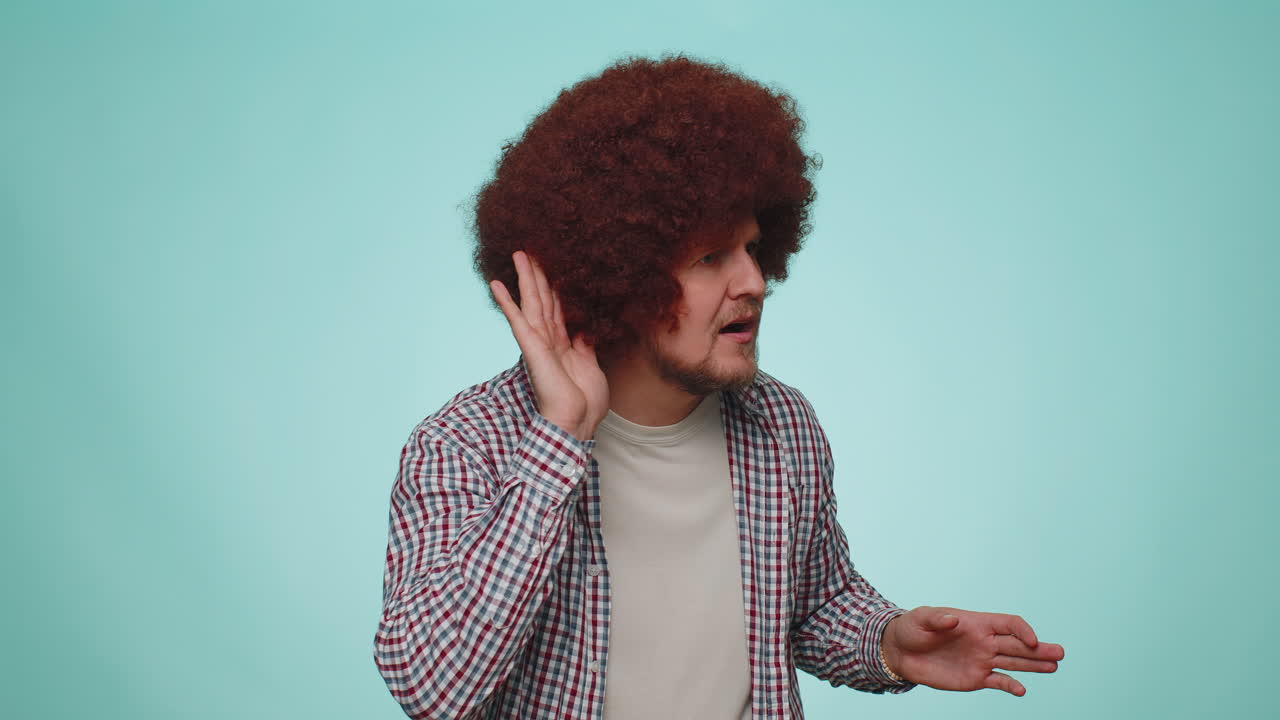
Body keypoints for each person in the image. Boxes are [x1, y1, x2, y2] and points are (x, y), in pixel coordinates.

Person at [374, 55, 1064, 720]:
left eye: (754, 250)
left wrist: (889, 644)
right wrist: (559, 440)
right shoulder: (466, 444)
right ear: (619, 274)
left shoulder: (780, 423)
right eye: (710, 257)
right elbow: (434, 688)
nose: (755, 283)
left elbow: (813, 606)